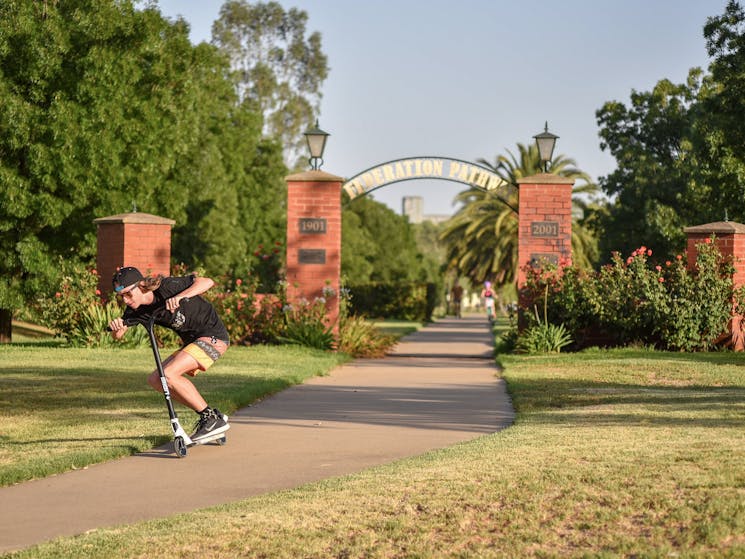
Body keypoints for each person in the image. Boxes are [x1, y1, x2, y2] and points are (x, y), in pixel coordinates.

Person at [108, 266, 230, 442]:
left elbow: (207, 282)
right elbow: (118, 335)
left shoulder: (167, 286)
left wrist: (181, 296)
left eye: (128, 294)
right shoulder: (136, 309)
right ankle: (211, 416)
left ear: (141, 286)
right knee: (156, 379)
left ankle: (211, 419)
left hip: (213, 337)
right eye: (121, 296)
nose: (125, 300)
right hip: (193, 342)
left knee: (169, 374)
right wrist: (116, 327)